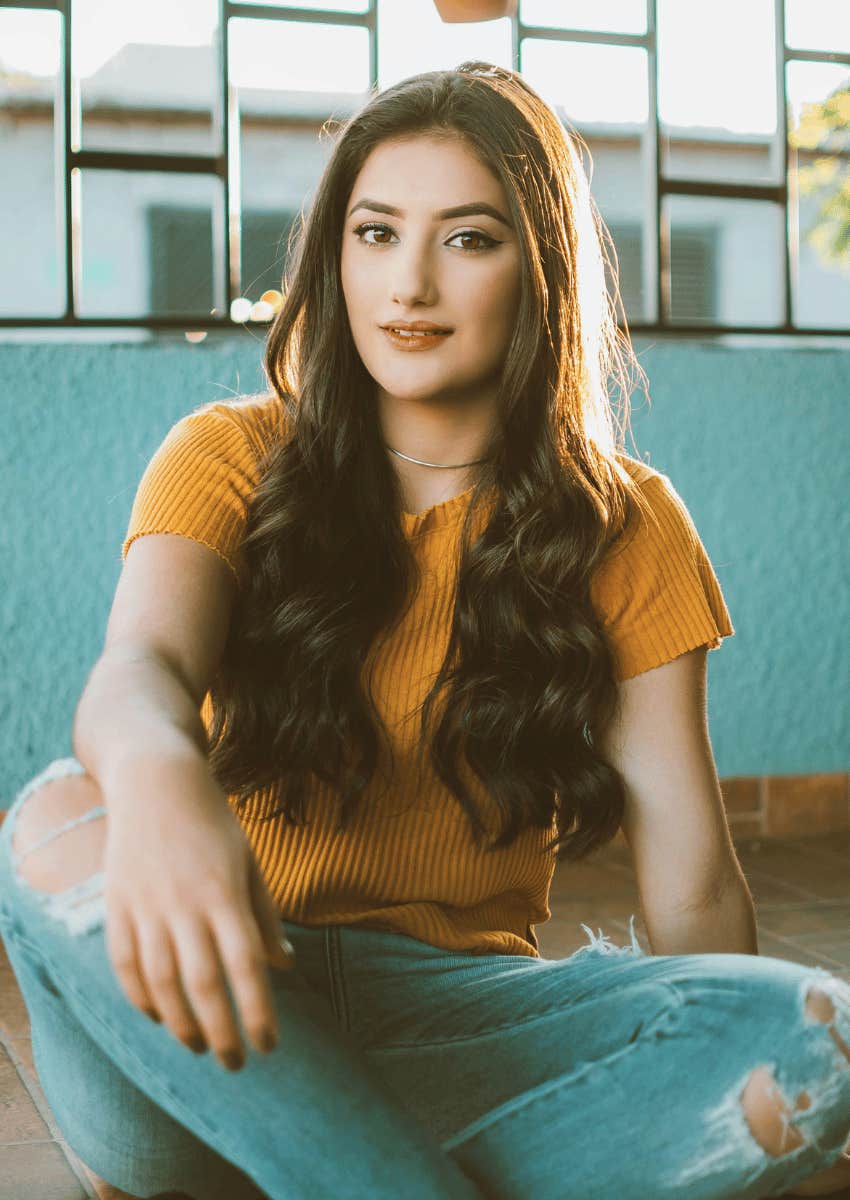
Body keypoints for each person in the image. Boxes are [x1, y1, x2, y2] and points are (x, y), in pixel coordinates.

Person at [1, 61, 849, 1200]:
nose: (407, 283)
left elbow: (691, 882)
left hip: (465, 1023)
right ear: (332, 259)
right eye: (374, 232)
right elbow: (138, 672)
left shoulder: (628, 526)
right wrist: (158, 781)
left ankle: (323, 1166)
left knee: (819, 1033)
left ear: (537, 271)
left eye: (467, 238)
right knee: (54, 819)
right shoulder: (226, 455)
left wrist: (710, 1028)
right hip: (220, 1005)